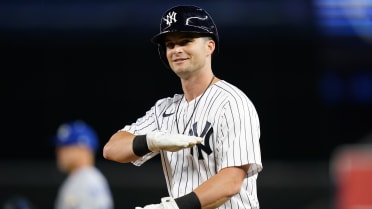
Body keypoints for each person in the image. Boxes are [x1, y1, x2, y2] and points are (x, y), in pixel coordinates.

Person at [103, 5, 263, 209]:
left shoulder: (231, 102)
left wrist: (172, 207)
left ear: (209, 47)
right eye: (170, 45)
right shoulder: (165, 109)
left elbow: (230, 182)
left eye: (186, 41)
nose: (177, 50)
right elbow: (112, 149)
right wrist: (151, 141)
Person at [53, 120, 114, 209]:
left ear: (83, 149)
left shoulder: (89, 179)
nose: (59, 152)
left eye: (66, 146)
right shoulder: (79, 179)